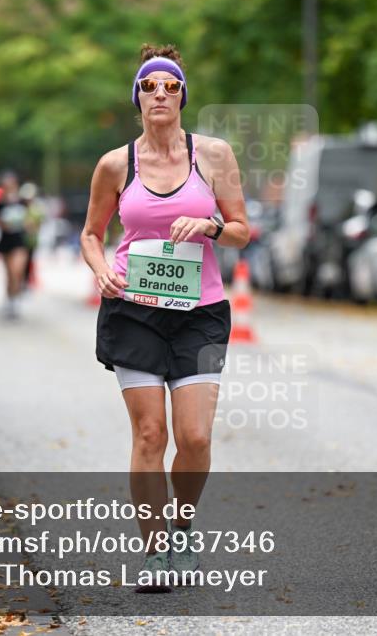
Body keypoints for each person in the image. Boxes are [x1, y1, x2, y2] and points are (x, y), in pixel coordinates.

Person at [81, 43, 249, 591]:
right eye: (149, 85)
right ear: (137, 97)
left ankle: (182, 525)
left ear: (182, 96)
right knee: (151, 433)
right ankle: (154, 553)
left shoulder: (214, 156)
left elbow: (243, 230)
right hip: (133, 310)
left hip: (199, 311)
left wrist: (210, 228)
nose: (160, 93)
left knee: (195, 437)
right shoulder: (115, 164)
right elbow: (90, 233)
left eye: (170, 85)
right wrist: (101, 268)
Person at [0, 171, 29, 318]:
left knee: (17, 271)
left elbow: (30, 219)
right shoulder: (0, 203)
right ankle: (10, 299)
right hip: (6, 241)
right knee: (9, 273)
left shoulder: (22, 201)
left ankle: (15, 297)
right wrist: (4, 224)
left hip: (19, 241)